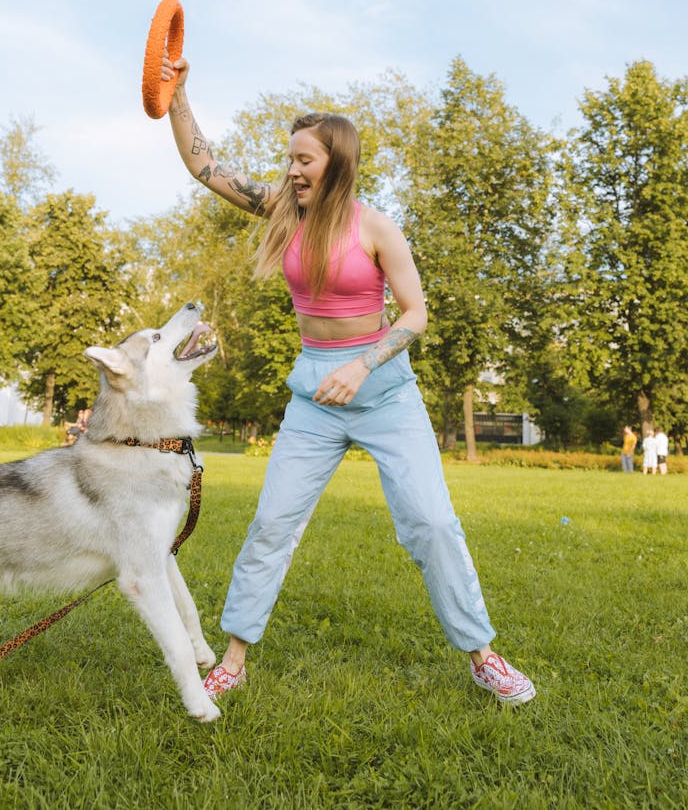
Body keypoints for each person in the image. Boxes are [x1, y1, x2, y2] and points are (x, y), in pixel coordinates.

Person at [161, 50, 536, 707]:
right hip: (314, 397)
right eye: (289, 157)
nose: (290, 168)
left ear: (335, 160)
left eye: (303, 158)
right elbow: (204, 165)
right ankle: (235, 658)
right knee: (272, 522)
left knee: (432, 523)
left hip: (385, 392)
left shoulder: (377, 228)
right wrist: (178, 94)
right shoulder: (284, 211)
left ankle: (482, 655)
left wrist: (364, 363)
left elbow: (417, 314)